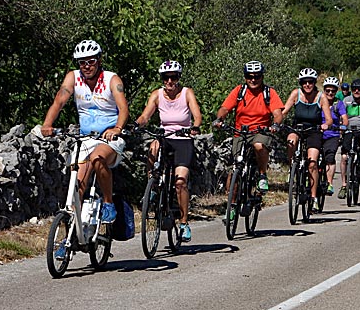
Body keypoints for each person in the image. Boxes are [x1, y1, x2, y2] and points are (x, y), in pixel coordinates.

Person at [41, 40, 129, 223]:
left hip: (109, 137)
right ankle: (69, 237)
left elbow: (123, 109)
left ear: (99, 60)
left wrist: (117, 129)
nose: (86, 66)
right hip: (86, 137)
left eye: (91, 61)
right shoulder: (73, 77)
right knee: (76, 183)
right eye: (82, 62)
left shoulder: (112, 79)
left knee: (98, 159)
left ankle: (108, 203)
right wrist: (47, 125)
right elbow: (59, 102)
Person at [134, 60, 202, 242]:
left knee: (180, 182)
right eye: (166, 78)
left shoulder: (187, 93)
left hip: (183, 139)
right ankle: (153, 184)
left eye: (173, 77)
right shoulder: (157, 95)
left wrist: (194, 127)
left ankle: (184, 222)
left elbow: (197, 115)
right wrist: (137, 124)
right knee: (153, 147)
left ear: (179, 78)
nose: (170, 81)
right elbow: (145, 115)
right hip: (166, 137)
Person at [213, 60, 285, 194]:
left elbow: (277, 113)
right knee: (236, 167)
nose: (253, 80)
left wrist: (275, 124)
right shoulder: (239, 91)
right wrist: (219, 119)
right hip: (240, 131)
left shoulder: (269, 93)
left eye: (257, 76)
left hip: (260, 131)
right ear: (245, 77)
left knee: (259, 145)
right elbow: (225, 108)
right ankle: (232, 205)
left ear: (262, 76)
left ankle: (262, 175)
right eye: (249, 76)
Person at [282, 68, 333, 211]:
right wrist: (277, 121)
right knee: (291, 140)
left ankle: (313, 197)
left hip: (314, 131)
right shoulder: (295, 94)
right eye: (304, 82)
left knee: (312, 163)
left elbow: (329, 119)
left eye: (310, 82)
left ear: (314, 83)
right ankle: (292, 167)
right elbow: (284, 111)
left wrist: (325, 125)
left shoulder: (321, 97)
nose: (307, 85)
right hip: (297, 128)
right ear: (301, 83)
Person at [320, 77, 348, 196]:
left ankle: (329, 183)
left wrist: (343, 126)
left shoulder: (338, 104)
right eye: (327, 90)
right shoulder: (319, 101)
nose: (330, 93)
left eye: (333, 91)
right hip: (318, 133)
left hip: (333, 134)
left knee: (330, 157)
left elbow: (345, 119)